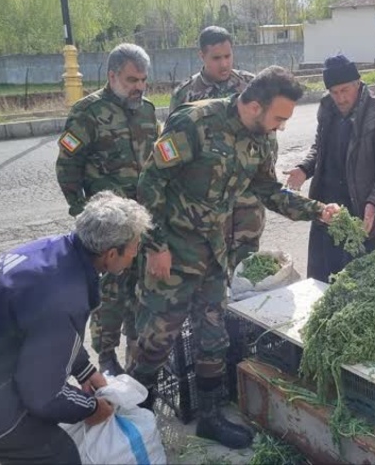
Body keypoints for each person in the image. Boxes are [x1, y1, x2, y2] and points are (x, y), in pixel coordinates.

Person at [132, 66, 341, 449]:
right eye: (278, 117)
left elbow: (268, 190)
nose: (280, 126)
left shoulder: (260, 140)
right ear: (255, 105)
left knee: (213, 339)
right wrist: (155, 245)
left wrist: (318, 210)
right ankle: (135, 423)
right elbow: (149, 184)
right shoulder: (194, 122)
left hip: (214, 254)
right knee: (155, 341)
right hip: (172, 254)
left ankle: (211, 417)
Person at [0, 191, 153, 464]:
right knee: (57, 455)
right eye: (135, 247)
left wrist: (85, 370)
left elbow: (46, 334)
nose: (136, 254)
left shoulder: (55, 251)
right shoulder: (64, 297)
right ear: (111, 253)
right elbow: (43, 395)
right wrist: (92, 408)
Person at [55, 43, 158, 376]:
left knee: (140, 289)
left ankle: (136, 351)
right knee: (108, 295)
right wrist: (82, 212)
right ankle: (107, 356)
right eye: (131, 79)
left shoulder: (147, 110)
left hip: (138, 222)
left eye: (143, 79)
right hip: (106, 227)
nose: (139, 86)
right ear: (112, 75)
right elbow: (67, 166)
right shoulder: (88, 112)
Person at [284, 54, 375, 282]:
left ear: (357, 84)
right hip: (326, 213)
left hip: (362, 217)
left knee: (361, 291)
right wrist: (304, 168)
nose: (339, 98)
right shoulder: (327, 106)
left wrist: (374, 204)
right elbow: (319, 148)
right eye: (334, 92)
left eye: (344, 90)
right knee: (321, 285)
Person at [170, 26, 268, 273]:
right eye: (216, 58)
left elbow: (268, 140)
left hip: (247, 203)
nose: (224, 64)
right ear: (201, 56)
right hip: (207, 209)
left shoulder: (252, 86)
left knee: (248, 270)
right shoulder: (185, 95)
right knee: (210, 272)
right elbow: (175, 152)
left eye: (228, 56)